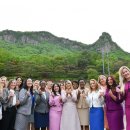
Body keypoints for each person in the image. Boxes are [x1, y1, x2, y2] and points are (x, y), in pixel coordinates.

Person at [119, 66, 130, 130]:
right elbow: (122, 98)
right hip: (128, 107)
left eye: (126, 71)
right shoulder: (122, 84)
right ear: (122, 75)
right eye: (123, 73)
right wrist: (120, 93)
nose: (125, 73)